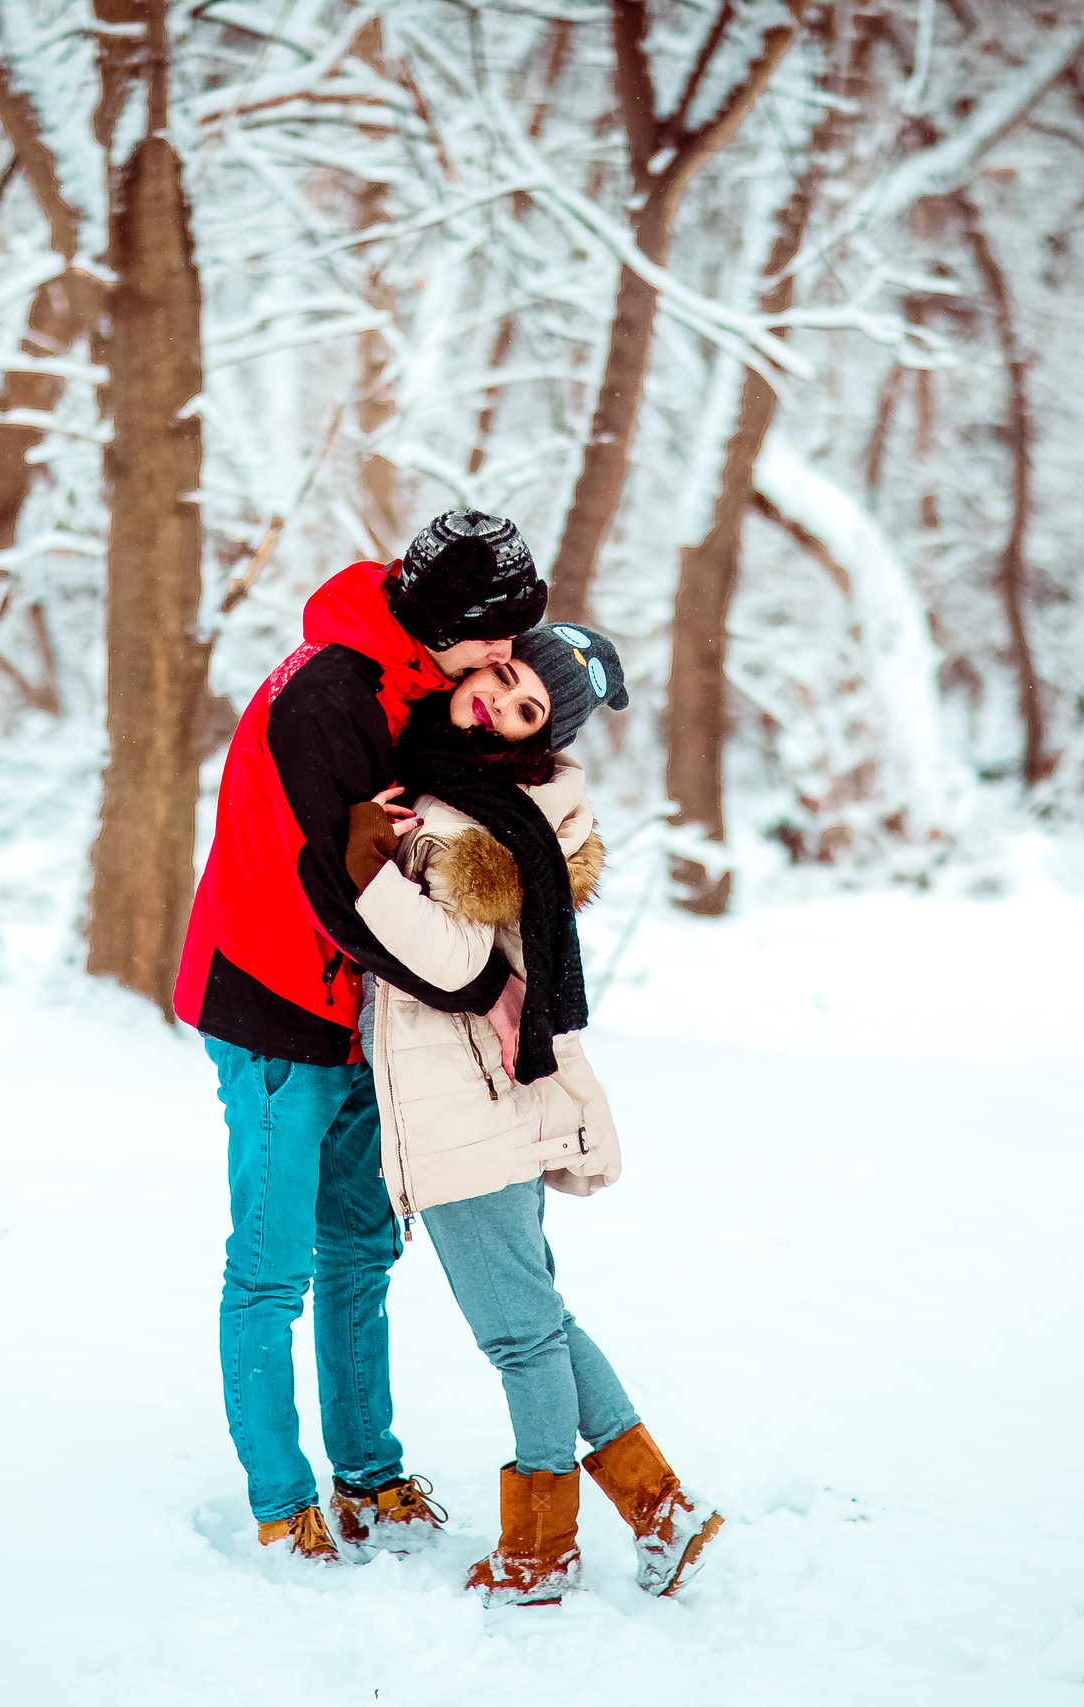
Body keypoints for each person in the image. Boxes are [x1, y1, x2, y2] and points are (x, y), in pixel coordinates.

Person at [175, 512, 547, 1568]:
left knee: (362, 1252)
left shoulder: (416, 682)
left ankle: (371, 1475)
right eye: (499, 641)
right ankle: (280, 1497)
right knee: (270, 1267)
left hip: (356, 1017)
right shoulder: (329, 696)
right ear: (448, 624)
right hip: (271, 1008)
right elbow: (344, 892)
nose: (505, 661)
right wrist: (483, 987)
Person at [341, 623, 725, 1607]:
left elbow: (453, 964)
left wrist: (367, 872)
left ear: (536, 740)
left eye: (524, 712)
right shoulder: (468, 788)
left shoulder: (488, 822)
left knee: (518, 1338)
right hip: (483, 1101)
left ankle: (540, 1552)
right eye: (506, 680)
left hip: (468, 1110)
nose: (498, 703)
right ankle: (661, 1511)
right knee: (542, 1322)